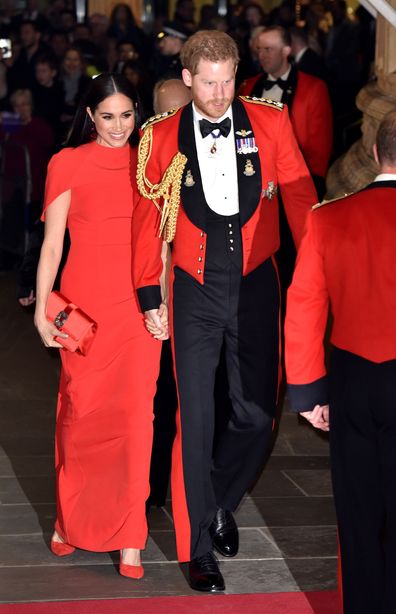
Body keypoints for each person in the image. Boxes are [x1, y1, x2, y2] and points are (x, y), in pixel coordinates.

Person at [132, 30, 317, 592]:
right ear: (188, 79)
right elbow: (146, 220)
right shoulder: (159, 136)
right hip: (191, 288)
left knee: (258, 415)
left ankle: (217, 501)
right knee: (197, 417)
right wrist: (149, 294)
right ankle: (198, 550)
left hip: (257, 283)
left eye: (228, 81)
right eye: (208, 83)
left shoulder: (270, 122)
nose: (219, 94)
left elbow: (303, 195)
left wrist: (318, 269)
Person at [34, 73, 161, 579]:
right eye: (107, 116)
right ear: (89, 116)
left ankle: (130, 537)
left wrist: (163, 302)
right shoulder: (66, 163)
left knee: (134, 422)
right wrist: (45, 311)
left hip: (136, 309)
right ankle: (70, 520)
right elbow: (51, 246)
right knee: (80, 417)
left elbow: (161, 243)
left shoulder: (150, 164)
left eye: (127, 115)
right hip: (84, 309)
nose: (118, 126)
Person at [284, 110, 396, 614]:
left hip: (354, 378)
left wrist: (308, 391)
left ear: (374, 154)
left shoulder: (327, 216)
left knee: (357, 508)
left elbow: (304, 305)